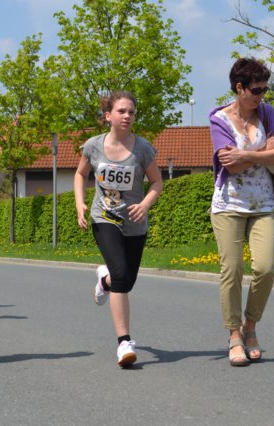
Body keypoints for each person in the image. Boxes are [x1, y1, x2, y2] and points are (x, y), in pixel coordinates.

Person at [74, 91, 163, 368]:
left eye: (131, 112)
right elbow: (80, 174)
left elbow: (157, 182)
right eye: (121, 111)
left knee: (126, 281)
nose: (127, 116)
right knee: (122, 276)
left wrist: (145, 205)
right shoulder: (93, 146)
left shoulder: (143, 149)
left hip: (135, 222)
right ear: (108, 116)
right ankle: (124, 342)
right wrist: (80, 203)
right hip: (105, 217)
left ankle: (104, 280)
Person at [209, 57, 274, 367]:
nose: (261, 95)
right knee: (232, 269)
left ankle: (250, 327)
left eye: (265, 89)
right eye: (256, 90)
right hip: (228, 204)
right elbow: (229, 165)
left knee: (265, 268)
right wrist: (262, 152)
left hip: (264, 203)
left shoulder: (268, 113)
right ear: (239, 88)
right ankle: (234, 335)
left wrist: (245, 154)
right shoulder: (219, 119)